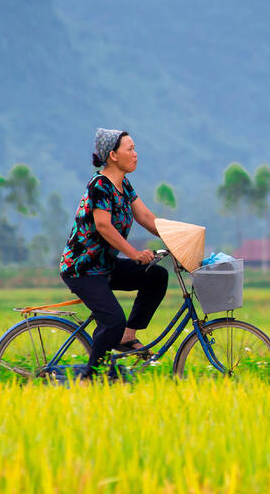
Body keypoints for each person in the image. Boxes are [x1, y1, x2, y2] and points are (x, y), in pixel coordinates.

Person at [58, 128, 168, 379]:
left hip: (105, 265)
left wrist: (179, 238)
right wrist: (133, 253)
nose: (136, 154)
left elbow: (146, 217)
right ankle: (88, 380)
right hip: (82, 268)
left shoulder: (124, 185)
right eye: (130, 149)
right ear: (113, 155)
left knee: (156, 276)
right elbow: (103, 225)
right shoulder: (100, 185)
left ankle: (128, 338)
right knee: (112, 321)